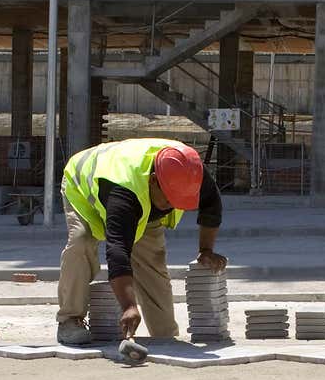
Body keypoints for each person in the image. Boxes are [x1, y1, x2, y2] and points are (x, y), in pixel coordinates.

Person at [56, 138, 227, 345]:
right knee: (81, 242)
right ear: (154, 180)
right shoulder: (123, 192)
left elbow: (212, 205)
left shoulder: (190, 171)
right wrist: (128, 305)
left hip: (141, 202)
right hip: (83, 189)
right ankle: (70, 320)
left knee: (152, 260)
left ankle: (164, 334)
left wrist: (206, 250)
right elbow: (118, 250)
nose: (171, 206)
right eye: (169, 199)